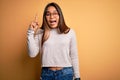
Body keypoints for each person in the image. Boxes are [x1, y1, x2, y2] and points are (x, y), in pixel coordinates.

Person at [27, 2, 80, 80]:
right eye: (48, 14)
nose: (51, 17)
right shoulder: (40, 32)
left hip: (66, 74)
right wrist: (30, 32)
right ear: (45, 17)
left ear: (60, 15)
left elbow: (74, 57)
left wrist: (77, 76)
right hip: (46, 74)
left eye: (55, 13)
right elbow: (32, 54)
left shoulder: (69, 32)